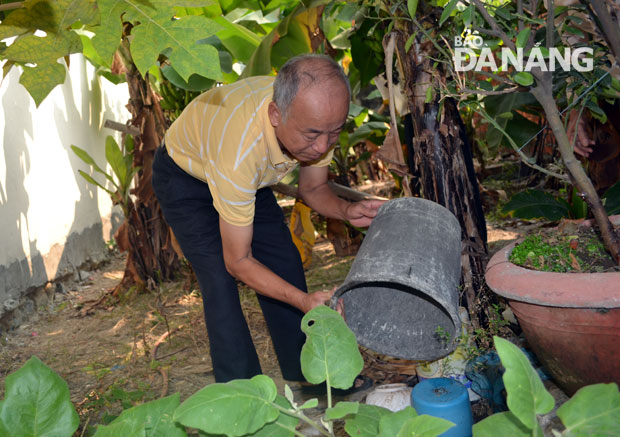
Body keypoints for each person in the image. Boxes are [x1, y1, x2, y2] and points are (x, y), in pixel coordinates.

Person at [151, 54, 385, 383]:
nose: (321, 147)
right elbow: (239, 261)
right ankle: (241, 396)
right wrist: (304, 301)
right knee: (219, 279)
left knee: (283, 261)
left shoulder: (318, 118)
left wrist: (347, 211)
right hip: (186, 181)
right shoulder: (241, 151)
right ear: (275, 115)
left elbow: (314, 187)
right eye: (312, 135)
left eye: (334, 133)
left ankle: (310, 376)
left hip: (248, 179)